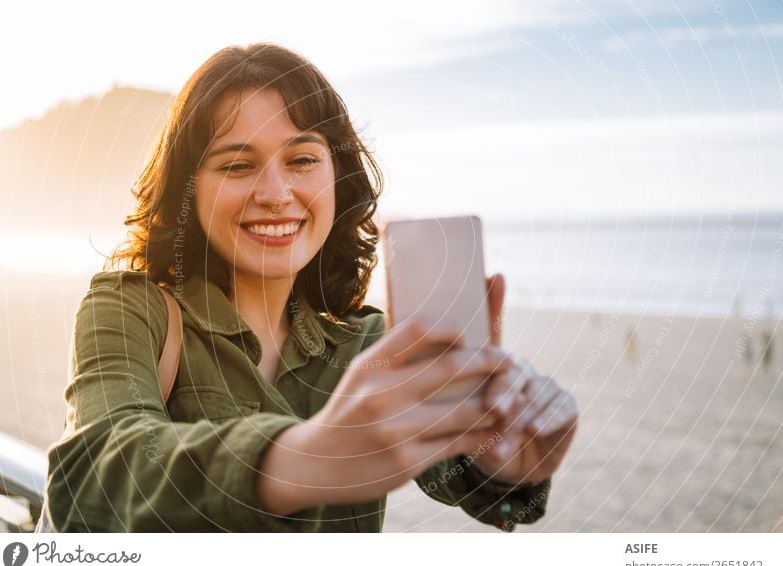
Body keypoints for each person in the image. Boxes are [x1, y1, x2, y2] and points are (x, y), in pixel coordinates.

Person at [42, 43, 578, 532]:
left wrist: (504, 463)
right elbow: (96, 472)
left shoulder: (370, 346)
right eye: (237, 164)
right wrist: (310, 456)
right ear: (188, 187)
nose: (276, 194)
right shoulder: (128, 308)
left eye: (302, 160)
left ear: (336, 176)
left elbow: (504, 502)